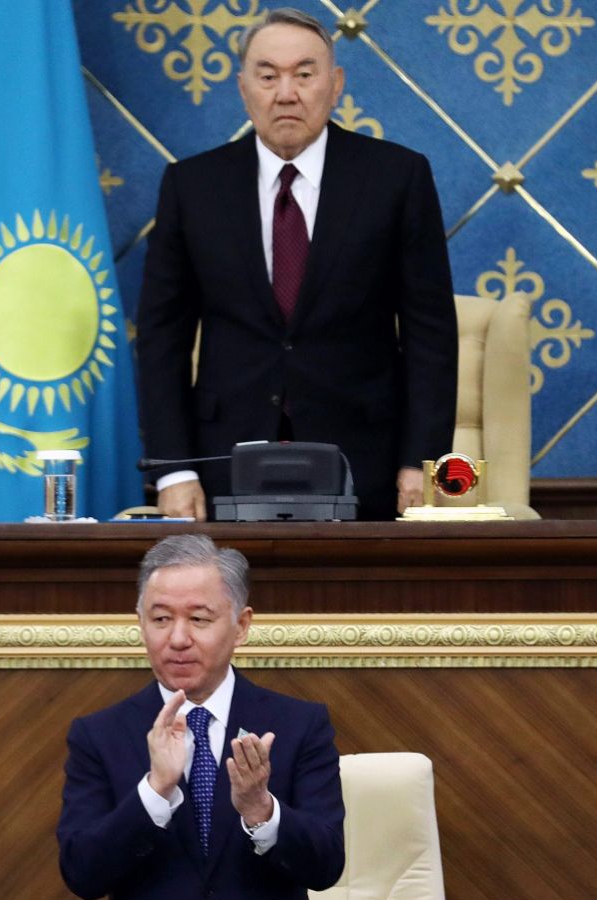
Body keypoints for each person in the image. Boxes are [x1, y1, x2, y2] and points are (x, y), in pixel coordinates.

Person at [134, 8, 458, 521]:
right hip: (221, 463)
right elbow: (161, 336)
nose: (287, 93)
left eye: (305, 75)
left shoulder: (397, 178)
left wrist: (420, 462)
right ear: (244, 88)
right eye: (268, 76)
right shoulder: (192, 186)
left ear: (336, 85)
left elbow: (430, 335)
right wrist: (175, 469)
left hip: (364, 462)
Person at [57, 534, 345, 900]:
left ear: (241, 625)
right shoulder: (99, 734)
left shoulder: (298, 725)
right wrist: (155, 791)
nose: (178, 638)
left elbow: (325, 867)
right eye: (161, 619)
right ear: (141, 624)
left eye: (198, 619)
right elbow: (82, 874)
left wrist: (261, 809)